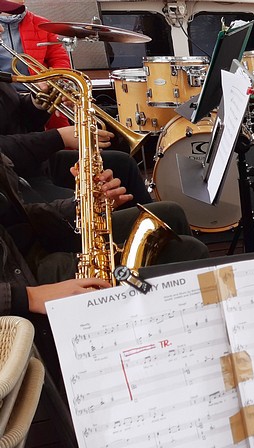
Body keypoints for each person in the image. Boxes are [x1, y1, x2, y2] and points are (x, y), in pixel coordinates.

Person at [0, 149, 208, 385]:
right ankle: (186, 355)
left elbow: (15, 216)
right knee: (189, 250)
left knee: (171, 213)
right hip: (22, 280)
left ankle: (181, 333)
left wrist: (84, 205)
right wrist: (29, 296)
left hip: (28, 247)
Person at [0, 79, 154, 207]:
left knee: (123, 163)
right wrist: (60, 137)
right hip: (11, 183)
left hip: (31, 164)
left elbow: (11, 116)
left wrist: (37, 102)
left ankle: (147, 225)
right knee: (93, 202)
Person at [0, 0, 71, 129]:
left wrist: (53, 85)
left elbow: (59, 60)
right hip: (5, 102)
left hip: (38, 97)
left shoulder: (43, 24)